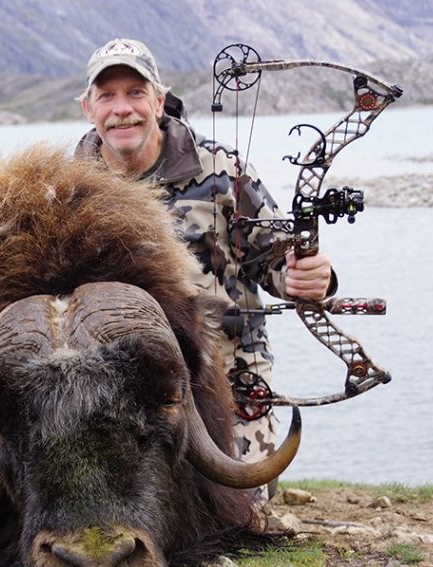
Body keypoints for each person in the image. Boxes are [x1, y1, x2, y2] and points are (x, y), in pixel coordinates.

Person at [75, 39, 335, 501]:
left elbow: (276, 261)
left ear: (159, 100)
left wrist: (309, 277)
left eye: (136, 93)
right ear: (87, 107)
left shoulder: (221, 171)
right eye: (107, 96)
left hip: (229, 381)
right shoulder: (66, 190)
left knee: (239, 508)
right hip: (114, 394)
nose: (122, 110)